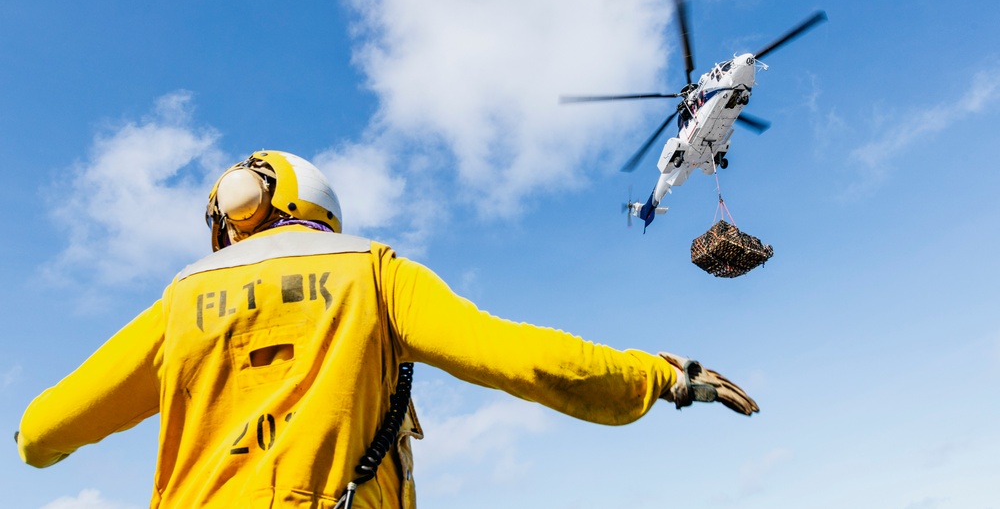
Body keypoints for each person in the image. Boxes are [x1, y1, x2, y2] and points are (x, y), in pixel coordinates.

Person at [17, 150, 758, 508]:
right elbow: (525, 360)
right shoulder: (375, 272)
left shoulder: (178, 303)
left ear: (227, 218)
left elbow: (42, 432)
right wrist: (659, 376)